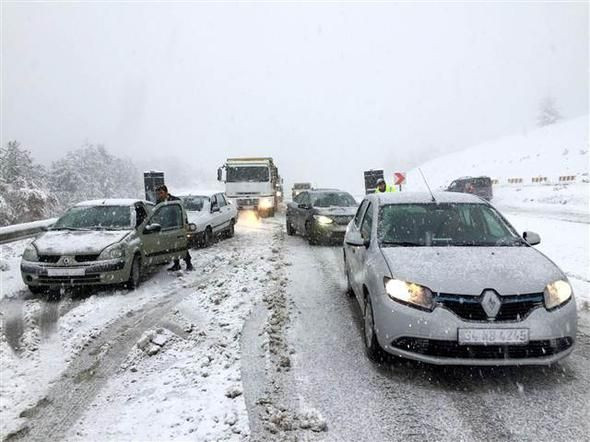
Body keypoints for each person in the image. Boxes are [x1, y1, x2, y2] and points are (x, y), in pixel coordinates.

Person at [155, 184, 194, 271]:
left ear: (166, 192)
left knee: (181, 246)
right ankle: (176, 264)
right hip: (166, 228)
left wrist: (185, 224)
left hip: (177, 227)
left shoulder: (175, 201)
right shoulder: (158, 203)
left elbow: (182, 213)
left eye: (161, 193)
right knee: (172, 247)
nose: (159, 195)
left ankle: (189, 263)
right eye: (158, 194)